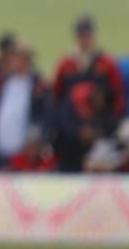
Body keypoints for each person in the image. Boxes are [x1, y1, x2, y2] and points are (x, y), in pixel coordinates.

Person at [52, 15, 125, 173]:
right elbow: (58, 100)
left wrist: (103, 128)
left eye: (88, 34)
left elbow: (117, 99)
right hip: (71, 133)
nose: (85, 39)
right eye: (81, 34)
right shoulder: (66, 64)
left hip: (100, 130)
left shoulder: (106, 64)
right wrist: (75, 129)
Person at [0, 40, 53, 170]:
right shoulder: (2, 83)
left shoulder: (37, 85)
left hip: (24, 153)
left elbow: (44, 115)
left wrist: (36, 139)